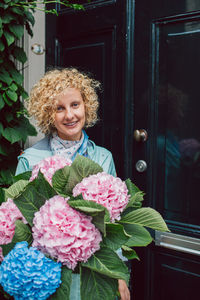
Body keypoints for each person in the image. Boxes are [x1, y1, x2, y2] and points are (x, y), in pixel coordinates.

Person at [16, 68, 130, 300]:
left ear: (86, 106)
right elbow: (17, 221)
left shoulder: (103, 158)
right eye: (59, 108)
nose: (69, 115)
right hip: (45, 272)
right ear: (48, 114)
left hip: (92, 270)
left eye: (75, 104)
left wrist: (118, 274)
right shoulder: (30, 159)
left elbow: (114, 223)